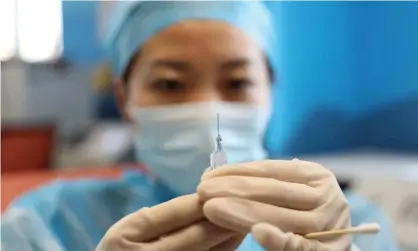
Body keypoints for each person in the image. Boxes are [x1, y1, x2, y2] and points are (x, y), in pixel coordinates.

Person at [1, 2, 399, 251]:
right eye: (171, 84)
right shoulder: (46, 223)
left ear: (271, 92)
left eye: (237, 83)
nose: (208, 110)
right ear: (124, 100)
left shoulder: (348, 227)